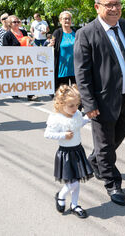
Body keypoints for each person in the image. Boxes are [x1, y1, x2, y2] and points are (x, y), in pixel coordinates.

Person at [74, 0, 125, 206]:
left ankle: (94, 162)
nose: (115, 9)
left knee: (117, 138)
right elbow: (82, 73)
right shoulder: (86, 33)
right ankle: (112, 183)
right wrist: (89, 104)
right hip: (101, 101)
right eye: (109, 5)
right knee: (105, 146)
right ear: (97, 7)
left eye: (117, 4)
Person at [44, 84, 93, 218]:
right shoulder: (56, 118)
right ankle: (61, 195)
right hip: (65, 154)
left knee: (76, 182)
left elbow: (79, 123)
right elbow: (47, 134)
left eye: (77, 104)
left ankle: (74, 205)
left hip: (78, 151)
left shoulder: (76, 114)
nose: (75, 108)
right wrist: (63, 135)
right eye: (71, 105)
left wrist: (88, 117)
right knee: (74, 183)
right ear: (60, 104)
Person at [49, 11, 77, 89]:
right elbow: (50, 46)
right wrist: (50, 44)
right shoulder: (57, 33)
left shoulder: (76, 32)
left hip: (75, 68)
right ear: (60, 20)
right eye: (65, 19)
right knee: (63, 95)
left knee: (77, 93)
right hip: (62, 69)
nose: (67, 21)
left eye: (69, 19)